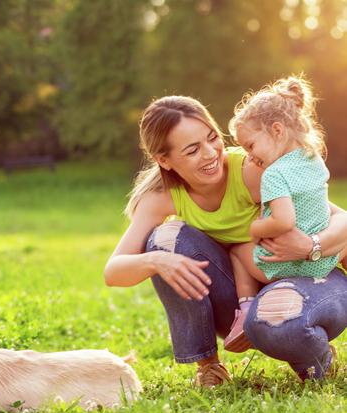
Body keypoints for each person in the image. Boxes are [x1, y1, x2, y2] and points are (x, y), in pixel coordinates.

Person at [104, 93, 347, 387]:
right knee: (165, 240)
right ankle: (209, 367)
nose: (210, 154)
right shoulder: (160, 198)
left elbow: (340, 218)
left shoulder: (254, 170)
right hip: (243, 300)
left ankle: (317, 359)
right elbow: (113, 272)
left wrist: (311, 246)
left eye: (212, 138)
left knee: (276, 314)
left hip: (310, 280)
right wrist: (156, 261)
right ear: (164, 160)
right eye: (193, 150)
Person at [223, 76, 347, 352]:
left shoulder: (275, 174)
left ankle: (245, 310)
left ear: (277, 130)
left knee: (237, 253)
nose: (250, 157)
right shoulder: (313, 158)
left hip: (282, 265)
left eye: (251, 146)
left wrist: (256, 229)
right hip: (324, 259)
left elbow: (283, 221)